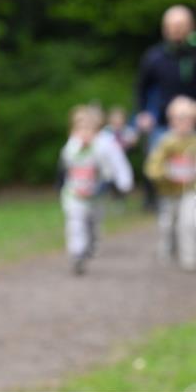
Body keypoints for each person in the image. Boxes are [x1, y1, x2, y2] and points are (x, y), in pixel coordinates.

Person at [135, 5, 196, 210]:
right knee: (156, 158)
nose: (176, 30)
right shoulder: (155, 56)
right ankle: (156, 199)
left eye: (180, 25)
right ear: (164, 28)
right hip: (164, 122)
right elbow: (142, 87)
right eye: (171, 26)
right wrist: (143, 113)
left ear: (191, 27)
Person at [144, 96, 196, 271]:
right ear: (171, 120)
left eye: (189, 120)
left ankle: (190, 256)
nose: (184, 124)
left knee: (189, 221)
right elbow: (152, 166)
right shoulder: (165, 142)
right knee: (168, 223)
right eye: (180, 119)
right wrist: (164, 173)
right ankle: (167, 247)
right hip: (169, 191)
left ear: (195, 121)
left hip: (192, 189)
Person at [59, 105, 135, 275]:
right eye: (80, 128)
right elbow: (64, 166)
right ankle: (77, 253)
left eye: (89, 129)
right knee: (75, 221)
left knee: (93, 222)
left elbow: (118, 163)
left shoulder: (105, 145)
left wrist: (124, 183)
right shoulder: (71, 146)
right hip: (75, 194)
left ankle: (92, 242)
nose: (84, 133)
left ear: (97, 130)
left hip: (96, 194)